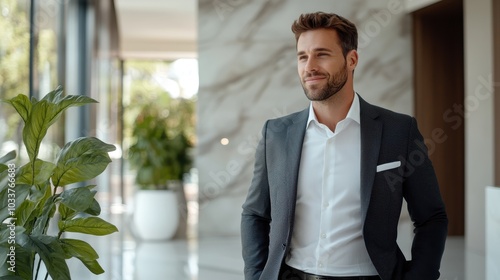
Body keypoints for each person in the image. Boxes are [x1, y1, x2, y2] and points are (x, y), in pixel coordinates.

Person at [241, 12, 448, 280]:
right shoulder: (276, 134)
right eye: (302, 56)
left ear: (352, 60)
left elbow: (431, 217)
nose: (310, 66)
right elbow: (255, 214)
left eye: (322, 54)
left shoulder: (399, 131)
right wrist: (256, 276)